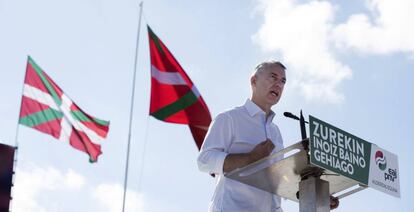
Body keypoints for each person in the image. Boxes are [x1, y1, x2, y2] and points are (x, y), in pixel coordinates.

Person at [197, 60, 287, 212]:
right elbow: (204, 160)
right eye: (273, 77)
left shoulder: (276, 133)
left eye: (283, 81)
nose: (278, 84)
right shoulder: (229, 118)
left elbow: (276, 185)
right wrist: (249, 158)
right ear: (254, 81)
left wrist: (320, 197)